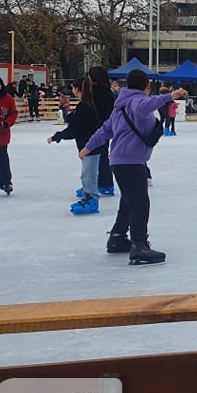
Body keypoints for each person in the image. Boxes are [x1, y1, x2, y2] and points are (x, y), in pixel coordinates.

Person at [80, 70, 186, 265]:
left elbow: (105, 130)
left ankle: (117, 238)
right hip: (131, 162)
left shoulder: (120, 106)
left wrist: (87, 147)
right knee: (139, 203)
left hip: (120, 161)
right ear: (147, 87)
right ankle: (139, 246)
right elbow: (148, 104)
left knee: (129, 201)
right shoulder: (138, 102)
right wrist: (171, 95)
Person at [48, 77, 101, 214]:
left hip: (90, 146)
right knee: (87, 174)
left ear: (77, 89)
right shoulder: (85, 105)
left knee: (88, 175)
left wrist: (56, 137)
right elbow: (78, 122)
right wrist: (69, 115)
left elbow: (74, 129)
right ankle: (88, 196)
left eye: (72, 87)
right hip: (89, 145)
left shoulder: (84, 106)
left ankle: (91, 200)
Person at [89, 66, 116, 196]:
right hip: (106, 126)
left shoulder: (94, 91)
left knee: (95, 157)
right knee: (103, 155)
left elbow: (91, 110)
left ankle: (100, 183)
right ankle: (105, 182)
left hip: (96, 127)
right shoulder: (108, 91)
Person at [0, 75, 18, 195]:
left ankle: (6, 183)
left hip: (1, 134)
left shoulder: (8, 98)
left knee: (2, 160)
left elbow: (13, 113)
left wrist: (7, 123)